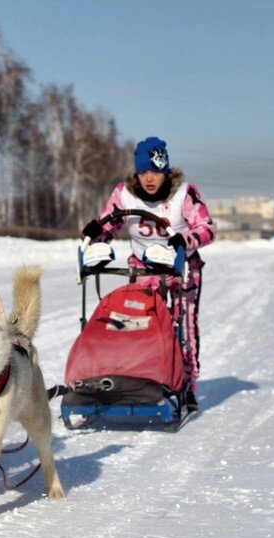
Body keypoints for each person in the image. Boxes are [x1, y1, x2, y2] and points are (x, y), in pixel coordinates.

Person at [82, 136, 216, 411]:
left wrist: (185, 240)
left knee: (185, 327)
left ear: (165, 170)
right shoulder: (124, 194)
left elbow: (207, 228)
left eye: (155, 171)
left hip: (182, 270)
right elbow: (109, 223)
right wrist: (97, 235)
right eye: (143, 172)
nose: (149, 179)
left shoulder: (184, 193)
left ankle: (187, 386)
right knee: (139, 326)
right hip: (143, 269)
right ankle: (140, 379)